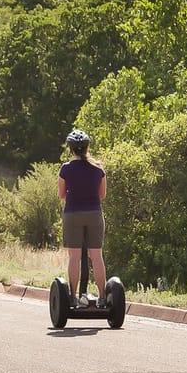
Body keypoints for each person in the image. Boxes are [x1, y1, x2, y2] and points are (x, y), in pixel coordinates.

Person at [58, 129, 108, 309]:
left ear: (70, 149)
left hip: (72, 214)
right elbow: (102, 195)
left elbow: (61, 195)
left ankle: (72, 297)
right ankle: (103, 297)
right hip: (94, 214)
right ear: (87, 147)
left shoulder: (66, 168)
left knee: (74, 256)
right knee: (96, 256)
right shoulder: (98, 168)